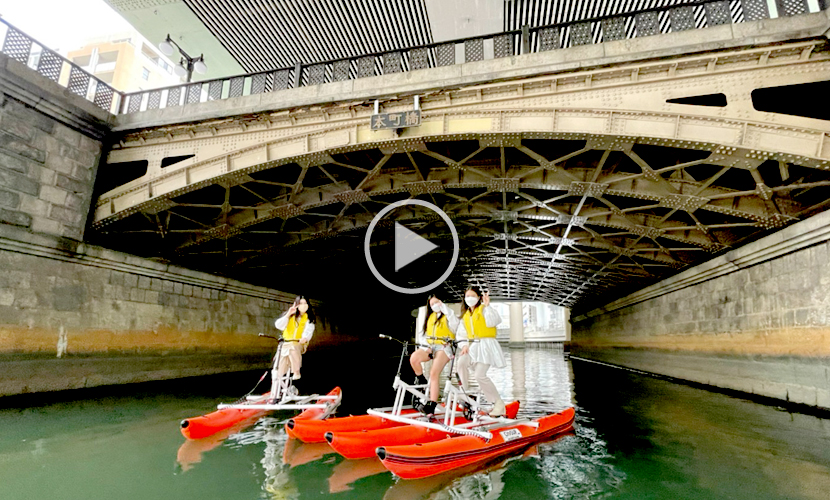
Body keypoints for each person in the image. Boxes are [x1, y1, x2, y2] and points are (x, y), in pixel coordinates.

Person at [456, 285, 506, 417]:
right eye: (467, 296)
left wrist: (488, 305)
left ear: (478, 298)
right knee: (461, 363)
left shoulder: (484, 309)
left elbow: (493, 322)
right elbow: (461, 335)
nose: (470, 299)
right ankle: (464, 393)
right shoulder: (466, 316)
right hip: (473, 347)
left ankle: (498, 404)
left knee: (479, 375)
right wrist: (464, 345)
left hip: (486, 346)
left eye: (473, 296)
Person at [409, 294, 459, 415]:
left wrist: (444, 308)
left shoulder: (448, 315)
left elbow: (455, 322)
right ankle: (421, 380)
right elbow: (424, 336)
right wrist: (426, 347)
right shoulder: (429, 317)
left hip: (444, 348)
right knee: (414, 358)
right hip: (430, 347)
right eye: (432, 304)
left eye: (436, 303)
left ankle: (432, 404)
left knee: (433, 373)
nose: (434, 306)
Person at [274, 296, 315, 382]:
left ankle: (296, 371)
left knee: (293, 348)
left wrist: (305, 338)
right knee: (279, 366)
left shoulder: (309, 319)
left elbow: (308, 331)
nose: (303, 305)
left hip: (298, 344)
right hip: (285, 344)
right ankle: (277, 385)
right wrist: (288, 313)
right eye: (301, 303)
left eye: (305, 303)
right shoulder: (290, 316)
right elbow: (279, 325)